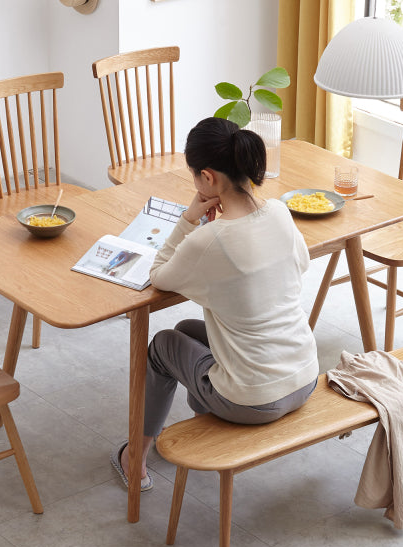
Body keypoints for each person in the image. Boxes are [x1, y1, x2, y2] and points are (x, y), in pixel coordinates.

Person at [111, 117, 319, 491]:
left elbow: (158, 275)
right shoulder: (279, 213)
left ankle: (135, 459)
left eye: (193, 176)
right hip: (303, 377)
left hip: (253, 401)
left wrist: (190, 218)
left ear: (207, 178)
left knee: (161, 346)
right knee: (187, 331)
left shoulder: (209, 239)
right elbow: (299, 265)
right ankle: (206, 416)